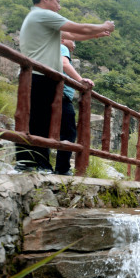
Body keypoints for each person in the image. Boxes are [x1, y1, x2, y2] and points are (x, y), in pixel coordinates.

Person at [15, 0, 114, 173]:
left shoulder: (41, 20)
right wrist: (103, 25)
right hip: (38, 75)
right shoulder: (42, 15)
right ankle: (27, 163)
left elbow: (71, 34)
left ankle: (38, 164)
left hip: (41, 75)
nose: (59, 6)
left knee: (40, 122)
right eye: (57, 2)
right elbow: (77, 27)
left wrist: (96, 34)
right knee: (36, 121)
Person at [55, 39, 94, 176]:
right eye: (73, 40)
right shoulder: (62, 47)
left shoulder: (55, 48)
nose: (75, 45)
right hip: (61, 95)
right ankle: (62, 168)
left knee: (54, 130)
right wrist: (80, 80)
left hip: (58, 94)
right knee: (69, 132)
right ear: (64, 39)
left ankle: (45, 165)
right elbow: (64, 64)